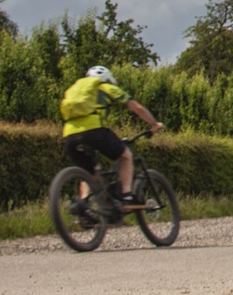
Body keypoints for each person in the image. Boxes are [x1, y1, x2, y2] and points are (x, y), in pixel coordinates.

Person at [60, 65, 164, 207]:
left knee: (90, 171)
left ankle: (84, 206)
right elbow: (137, 108)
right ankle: (127, 196)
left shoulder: (76, 90)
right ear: (106, 79)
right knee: (126, 156)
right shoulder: (105, 87)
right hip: (93, 131)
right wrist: (154, 124)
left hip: (70, 135)